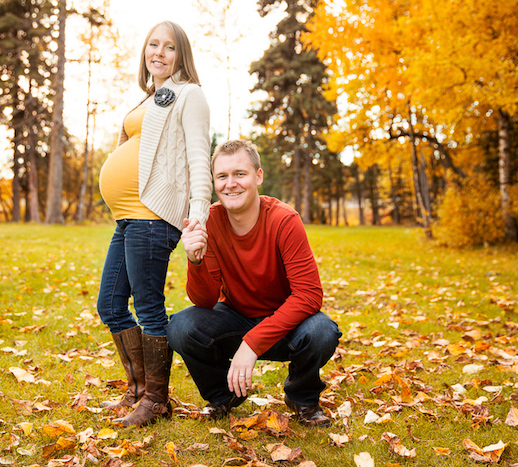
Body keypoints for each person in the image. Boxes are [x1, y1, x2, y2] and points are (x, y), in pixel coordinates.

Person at [167, 139, 342, 427]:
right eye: (222, 176)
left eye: (240, 174)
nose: (230, 184)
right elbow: (205, 302)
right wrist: (195, 261)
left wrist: (252, 344)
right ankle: (224, 396)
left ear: (258, 176)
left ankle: (302, 398)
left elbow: (309, 295)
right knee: (180, 326)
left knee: (322, 331)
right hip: (234, 317)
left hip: (287, 323)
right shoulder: (208, 220)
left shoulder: (284, 220)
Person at [96, 20, 211, 427]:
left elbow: (199, 157)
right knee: (110, 305)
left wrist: (199, 214)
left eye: (169, 47)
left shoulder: (189, 94)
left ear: (181, 56)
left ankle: (156, 400)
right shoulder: (152, 97)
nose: (158, 53)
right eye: (152, 45)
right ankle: (138, 392)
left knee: (147, 308)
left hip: (152, 217)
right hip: (126, 217)